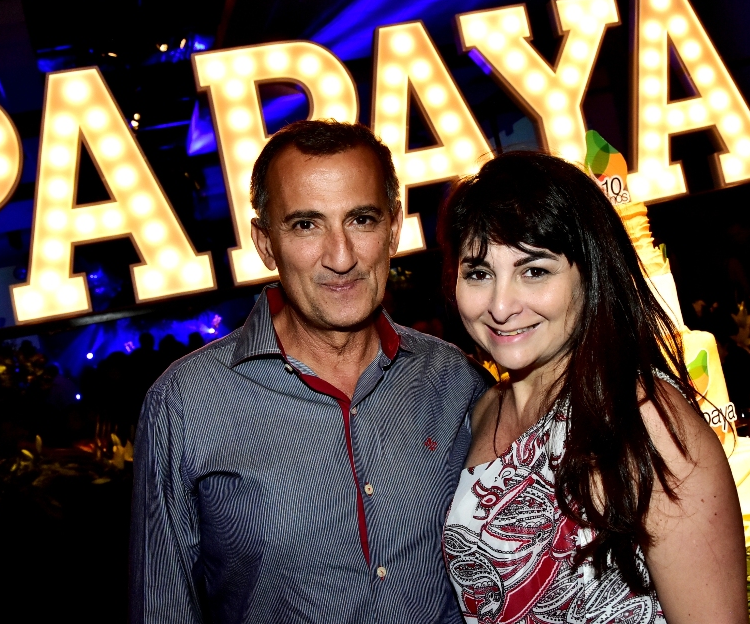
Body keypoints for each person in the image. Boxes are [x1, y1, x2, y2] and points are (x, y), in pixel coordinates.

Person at [130, 120, 488, 624]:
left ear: (393, 229)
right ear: (265, 243)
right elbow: (161, 607)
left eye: (361, 219)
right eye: (305, 225)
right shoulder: (185, 403)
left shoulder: (456, 381)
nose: (341, 257)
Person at [439, 151, 747, 623]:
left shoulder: (642, 418)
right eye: (479, 274)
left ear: (591, 274)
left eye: (534, 271)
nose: (500, 306)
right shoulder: (478, 413)